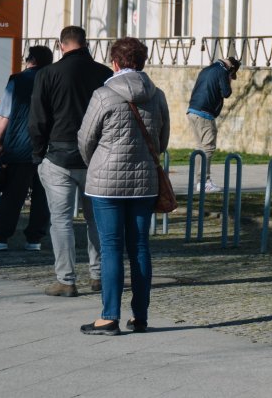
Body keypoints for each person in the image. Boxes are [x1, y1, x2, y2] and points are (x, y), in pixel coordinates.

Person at [76, 37, 169, 336]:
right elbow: (162, 140)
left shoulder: (103, 95)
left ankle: (109, 317)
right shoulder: (157, 95)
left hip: (106, 183)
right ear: (142, 62)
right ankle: (140, 316)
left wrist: (96, 163)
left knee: (111, 246)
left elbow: (86, 139)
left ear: (114, 63)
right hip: (145, 182)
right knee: (140, 246)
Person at [30, 25, 113, 296]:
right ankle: (98, 276)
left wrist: (38, 154)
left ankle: (66, 280)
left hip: (58, 154)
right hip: (96, 156)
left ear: (60, 45)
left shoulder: (47, 74)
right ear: (86, 43)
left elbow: (38, 119)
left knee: (61, 220)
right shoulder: (104, 74)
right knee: (96, 219)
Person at [0, 46, 54, 252]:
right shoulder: (54, 79)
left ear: (31, 60)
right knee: (42, 196)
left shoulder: (17, 80)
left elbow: (4, 115)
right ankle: (34, 239)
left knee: (13, 195)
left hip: (20, 147)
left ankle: (1, 237)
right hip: (48, 148)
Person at [186, 56, 240, 193]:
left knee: (201, 148)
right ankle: (204, 182)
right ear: (231, 68)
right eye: (232, 74)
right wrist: (228, 79)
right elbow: (226, 93)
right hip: (205, 113)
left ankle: (200, 182)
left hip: (192, 110)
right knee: (208, 148)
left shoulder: (207, 69)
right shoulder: (222, 71)